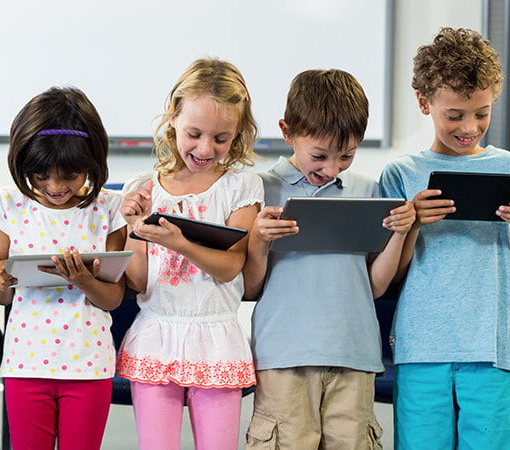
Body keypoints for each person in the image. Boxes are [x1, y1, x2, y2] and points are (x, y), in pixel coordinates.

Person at [243, 69, 415, 449]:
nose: (332, 169)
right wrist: (257, 238)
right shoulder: (259, 189)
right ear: (287, 132)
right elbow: (250, 287)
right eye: (319, 155)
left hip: (355, 354)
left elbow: (374, 286)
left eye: (347, 156)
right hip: (284, 356)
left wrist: (399, 232)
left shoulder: (369, 191)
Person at [117, 58, 262, 450]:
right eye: (194, 133)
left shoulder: (241, 187)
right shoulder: (144, 186)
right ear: (173, 117)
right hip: (156, 334)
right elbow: (139, 279)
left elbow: (232, 266)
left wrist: (179, 242)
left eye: (221, 138)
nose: (205, 148)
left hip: (216, 335)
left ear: (238, 133)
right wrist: (135, 227)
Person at [379, 27, 510, 449]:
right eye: (454, 114)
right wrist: (412, 223)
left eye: (482, 112)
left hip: (494, 350)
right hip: (421, 347)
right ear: (424, 102)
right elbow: (387, 278)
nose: (469, 127)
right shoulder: (400, 175)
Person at [0, 86, 126, 450]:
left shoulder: (109, 208)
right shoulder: (8, 204)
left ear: (92, 162)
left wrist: (83, 280)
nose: (55, 187)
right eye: (41, 176)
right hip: (25, 363)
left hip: (88, 364)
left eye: (70, 176)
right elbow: (0, 296)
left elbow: (112, 299)